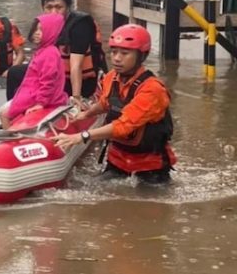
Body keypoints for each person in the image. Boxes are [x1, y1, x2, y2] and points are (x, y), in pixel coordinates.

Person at [52, 24, 176, 184]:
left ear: (141, 56)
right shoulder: (111, 77)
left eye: (125, 53)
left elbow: (123, 126)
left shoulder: (153, 90)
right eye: (114, 52)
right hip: (117, 161)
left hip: (150, 168)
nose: (117, 58)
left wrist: (82, 136)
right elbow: (105, 103)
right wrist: (87, 113)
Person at [6, 0, 107, 104]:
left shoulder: (80, 26)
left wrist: (76, 98)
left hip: (78, 82)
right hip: (54, 75)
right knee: (14, 73)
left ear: (68, 7)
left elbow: (76, 66)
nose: (53, 12)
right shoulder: (44, 24)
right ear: (43, 8)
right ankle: (15, 110)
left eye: (59, 7)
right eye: (49, 7)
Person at [0, 13, 68, 129]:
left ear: (51, 32)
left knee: (3, 113)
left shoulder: (49, 53)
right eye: (36, 29)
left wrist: (40, 103)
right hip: (32, 93)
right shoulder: (44, 51)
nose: (37, 32)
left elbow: (48, 81)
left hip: (35, 96)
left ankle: (10, 138)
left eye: (41, 30)